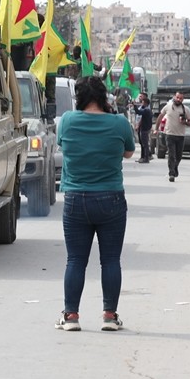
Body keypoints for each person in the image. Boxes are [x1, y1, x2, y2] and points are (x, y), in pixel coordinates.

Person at [56, 75, 136, 332]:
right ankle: (110, 316)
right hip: (110, 198)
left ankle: (71, 317)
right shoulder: (119, 123)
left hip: (75, 200)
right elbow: (129, 152)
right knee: (111, 260)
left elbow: (63, 146)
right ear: (104, 97)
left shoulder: (67, 121)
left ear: (79, 97)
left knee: (75, 261)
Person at [157, 91, 190, 182]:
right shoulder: (168, 106)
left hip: (180, 135)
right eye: (177, 97)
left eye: (180, 98)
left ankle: (175, 166)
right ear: (174, 97)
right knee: (171, 154)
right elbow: (160, 116)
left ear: (182, 99)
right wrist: (156, 128)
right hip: (169, 134)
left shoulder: (186, 109)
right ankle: (171, 173)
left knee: (179, 155)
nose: (178, 99)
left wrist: (185, 122)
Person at [133, 93, 153, 162]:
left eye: (143, 102)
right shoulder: (147, 110)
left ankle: (146, 158)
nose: (142, 104)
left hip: (144, 129)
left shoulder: (146, 110)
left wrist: (134, 105)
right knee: (143, 143)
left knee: (145, 144)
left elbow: (138, 112)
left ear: (145, 103)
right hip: (145, 128)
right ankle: (144, 157)